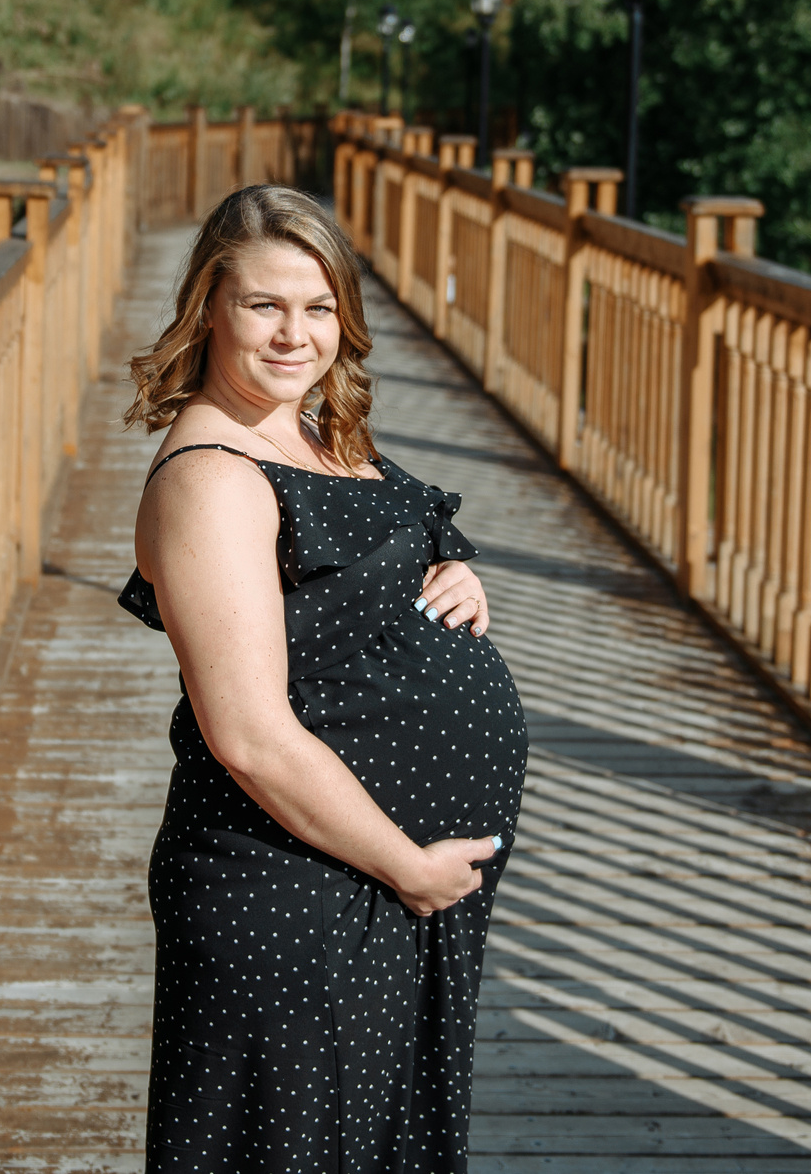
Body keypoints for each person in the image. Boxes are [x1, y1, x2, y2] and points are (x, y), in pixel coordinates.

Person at [118, 184, 528, 1173]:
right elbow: (249, 732)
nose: (294, 333)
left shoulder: (313, 432)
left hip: (374, 880)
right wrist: (406, 863)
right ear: (209, 306)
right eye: (264, 304)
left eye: (317, 306)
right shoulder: (212, 476)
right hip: (294, 885)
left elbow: (370, 568)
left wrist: (450, 571)